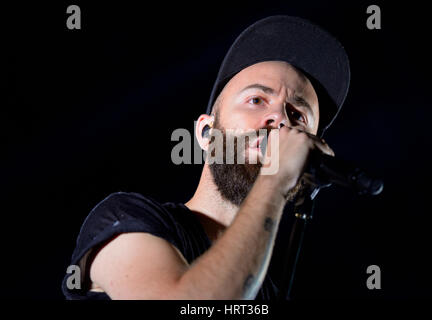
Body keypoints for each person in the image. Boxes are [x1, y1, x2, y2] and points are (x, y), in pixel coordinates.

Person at [62, 15, 350, 300]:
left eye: (297, 116)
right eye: (257, 100)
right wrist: (275, 178)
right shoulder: (127, 219)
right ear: (206, 132)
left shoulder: (271, 292)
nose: (279, 118)